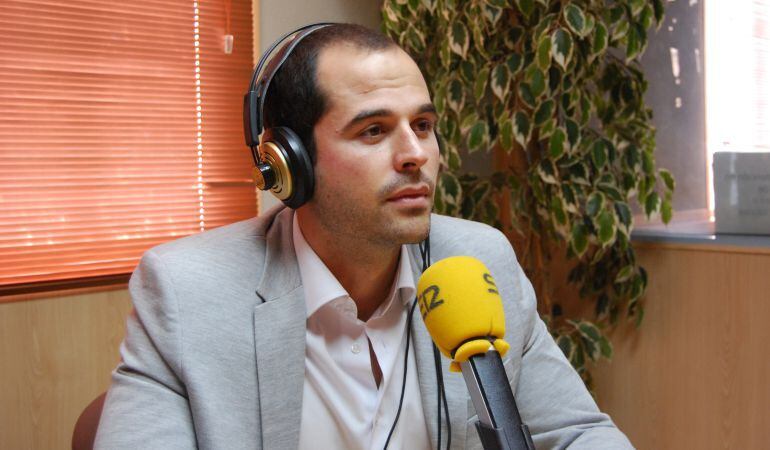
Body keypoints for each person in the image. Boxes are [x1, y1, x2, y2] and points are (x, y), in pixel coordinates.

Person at [95, 23, 633, 450]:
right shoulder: (186, 291)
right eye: (373, 131)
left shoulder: (478, 261)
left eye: (423, 126)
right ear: (290, 162)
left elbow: (579, 433)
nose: (415, 155)